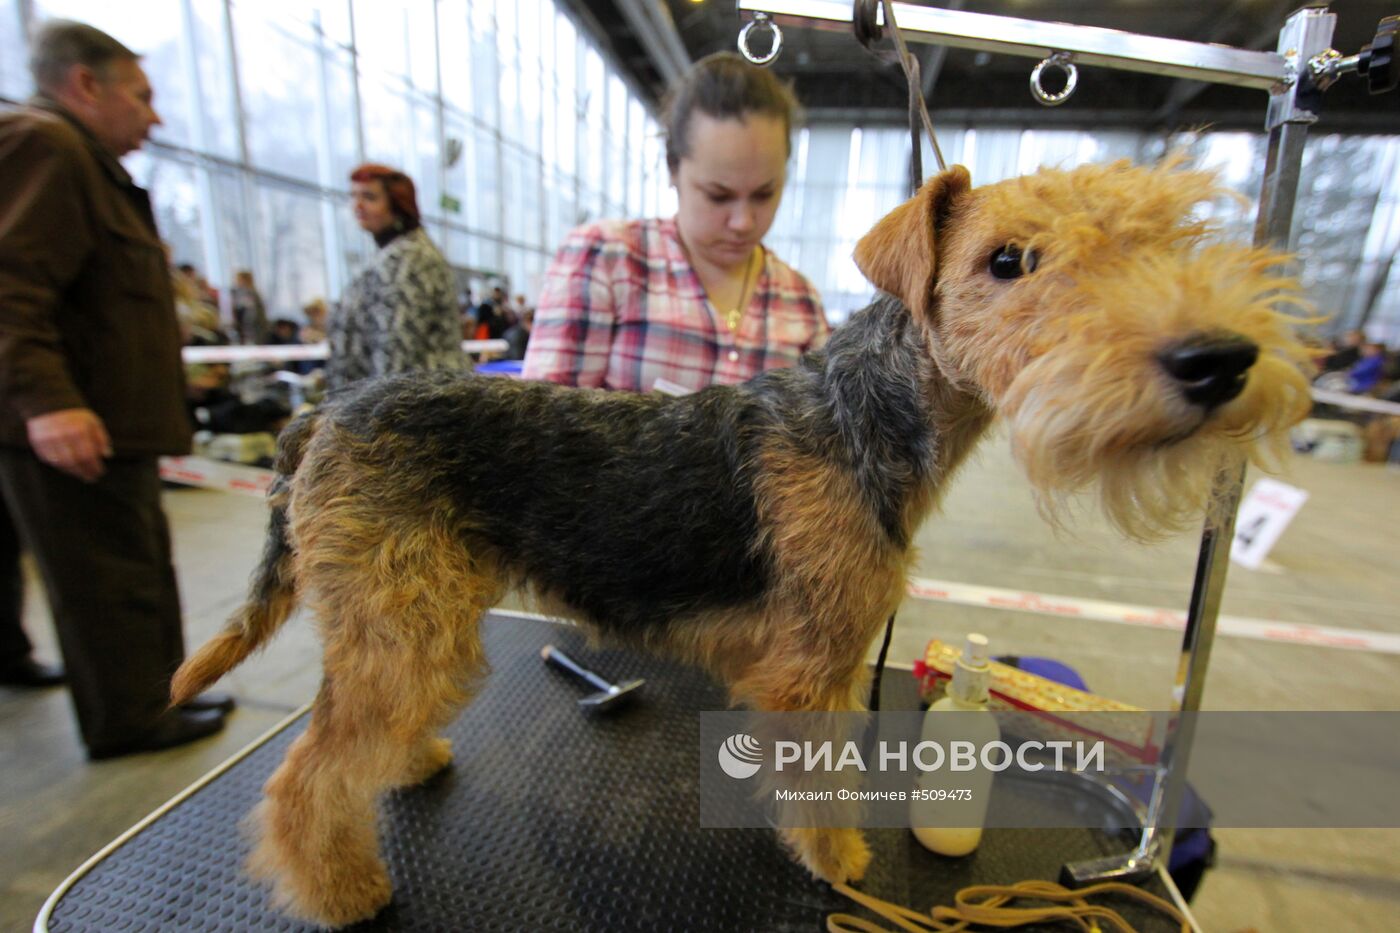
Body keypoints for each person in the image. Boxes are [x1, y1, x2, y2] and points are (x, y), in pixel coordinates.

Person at [0, 20, 231, 756]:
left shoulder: (78, 160)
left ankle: (152, 692)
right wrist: (50, 402)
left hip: (98, 414)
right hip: (76, 420)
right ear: (85, 84)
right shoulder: (46, 146)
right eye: (141, 95)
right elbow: (10, 285)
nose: (153, 117)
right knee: (111, 576)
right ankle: (134, 717)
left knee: (128, 564)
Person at [523, 52, 828, 393]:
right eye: (718, 195)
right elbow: (541, 419)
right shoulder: (607, 260)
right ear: (673, 168)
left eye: (764, 194)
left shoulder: (800, 301)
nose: (743, 222)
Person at [325, 164, 462, 391]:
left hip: (413, 399)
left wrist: (377, 408)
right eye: (354, 196)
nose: (357, 206)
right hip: (398, 395)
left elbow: (397, 349)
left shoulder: (409, 258)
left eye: (369, 197)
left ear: (398, 203)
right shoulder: (396, 253)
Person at [230, 269, 269, 344]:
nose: (237, 282)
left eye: (239, 279)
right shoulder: (236, 293)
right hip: (243, 327)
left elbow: (256, 313)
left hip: (254, 327)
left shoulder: (252, 294)